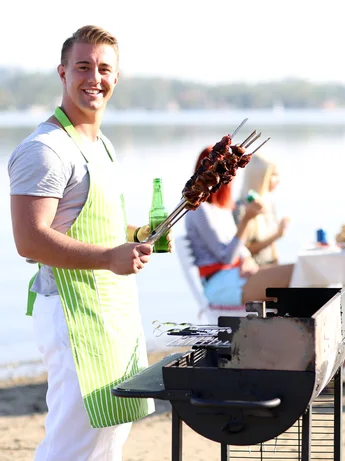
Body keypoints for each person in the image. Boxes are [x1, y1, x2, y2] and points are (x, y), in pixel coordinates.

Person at [8, 25, 170, 460]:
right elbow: (29, 240)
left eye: (103, 69)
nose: (93, 78)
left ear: (116, 78)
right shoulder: (45, 149)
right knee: (71, 446)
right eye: (83, 67)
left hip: (112, 311)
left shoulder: (102, 145)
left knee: (109, 436)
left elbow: (91, 224)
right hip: (73, 315)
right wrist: (109, 257)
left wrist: (136, 238)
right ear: (62, 72)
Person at [185, 147, 294, 306]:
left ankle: (285, 328)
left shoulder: (222, 208)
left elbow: (238, 249)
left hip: (235, 275)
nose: (231, 176)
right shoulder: (199, 209)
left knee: (299, 274)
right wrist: (246, 221)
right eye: (226, 171)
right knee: (294, 273)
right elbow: (226, 257)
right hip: (219, 284)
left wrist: (247, 259)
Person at [234, 153, 290, 266]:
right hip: (253, 271)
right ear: (260, 176)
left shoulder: (269, 204)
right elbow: (242, 251)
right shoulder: (240, 208)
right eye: (273, 175)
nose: (278, 180)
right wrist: (277, 235)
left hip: (270, 269)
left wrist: (278, 267)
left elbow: (273, 248)